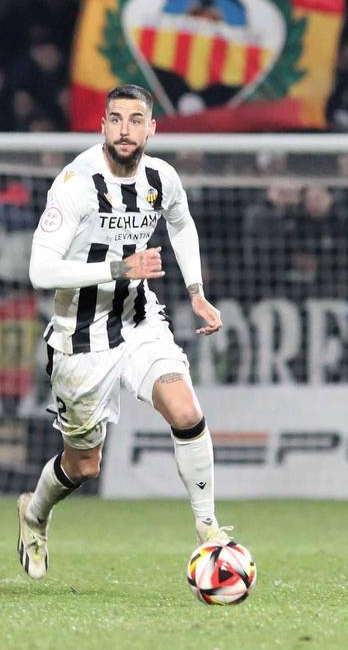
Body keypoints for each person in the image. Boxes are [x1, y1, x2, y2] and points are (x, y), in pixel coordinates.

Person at [16, 85, 227, 580]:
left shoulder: (162, 177)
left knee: (185, 408)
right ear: (102, 126)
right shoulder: (75, 184)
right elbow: (40, 271)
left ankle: (209, 529)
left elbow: (181, 223)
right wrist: (120, 267)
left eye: (136, 120)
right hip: (79, 338)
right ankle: (34, 512)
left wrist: (195, 289)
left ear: (151, 128)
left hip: (138, 320)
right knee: (84, 466)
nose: (125, 129)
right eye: (116, 119)